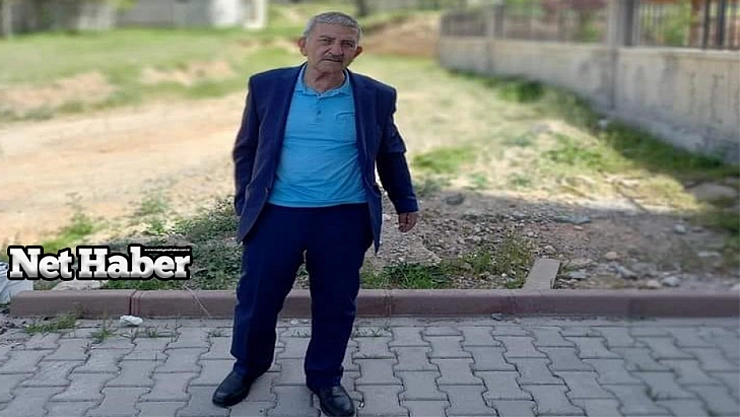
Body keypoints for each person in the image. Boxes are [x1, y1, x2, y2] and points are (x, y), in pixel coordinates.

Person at [212, 11, 419, 417]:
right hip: (277, 215)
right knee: (257, 297)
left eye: (346, 44)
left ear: (357, 52)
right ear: (303, 45)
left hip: (343, 218)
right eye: (326, 40)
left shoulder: (376, 96)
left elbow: (390, 151)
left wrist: (405, 200)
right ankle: (248, 366)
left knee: (336, 303)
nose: (335, 50)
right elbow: (247, 149)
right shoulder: (267, 86)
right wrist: (245, 200)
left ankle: (325, 378)